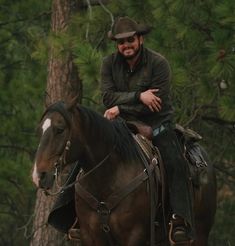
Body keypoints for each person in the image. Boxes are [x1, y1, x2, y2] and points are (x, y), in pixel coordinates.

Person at [100, 16, 194, 243]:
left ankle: (179, 219)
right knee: (89, 152)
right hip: (121, 127)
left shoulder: (158, 63)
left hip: (156, 125)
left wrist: (119, 107)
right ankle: (71, 215)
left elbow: (155, 104)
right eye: (121, 42)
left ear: (140, 39)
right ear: (116, 45)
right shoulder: (108, 64)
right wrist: (138, 96)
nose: (126, 45)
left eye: (130, 40)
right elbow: (106, 96)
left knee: (174, 160)